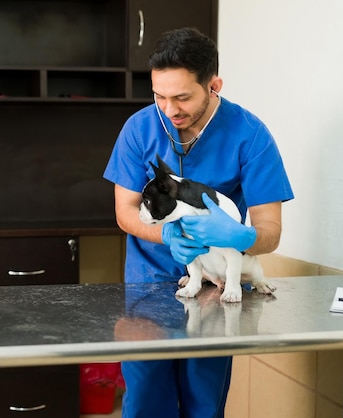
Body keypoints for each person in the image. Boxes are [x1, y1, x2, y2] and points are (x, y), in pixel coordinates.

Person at [103, 27, 294, 418]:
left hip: (218, 288)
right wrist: (166, 234)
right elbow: (124, 212)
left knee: (203, 402)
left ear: (213, 85)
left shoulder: (250, 135)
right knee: (144, 400)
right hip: (148, 284)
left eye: (182, 97)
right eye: (159, 96)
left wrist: (241, 236)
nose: (169, 109)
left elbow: (270, 232)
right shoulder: (139, 129)